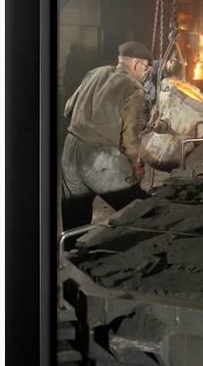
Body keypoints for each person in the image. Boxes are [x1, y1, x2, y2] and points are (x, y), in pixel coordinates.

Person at [61, 41, 152, 231]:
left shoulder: (95, 72)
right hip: (99, 158)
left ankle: (71, 255)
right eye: (147, 70)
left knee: (75, 216)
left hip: (70, 150)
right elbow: (129, 138)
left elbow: (68, 107)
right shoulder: (134, 88)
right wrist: (137, 165)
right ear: (138, 64)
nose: (146, 75)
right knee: (140, 209)